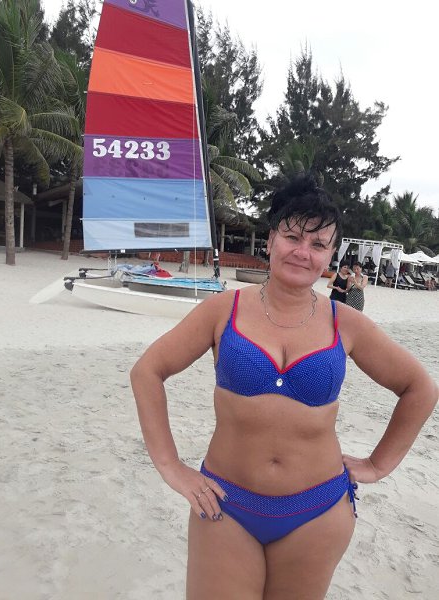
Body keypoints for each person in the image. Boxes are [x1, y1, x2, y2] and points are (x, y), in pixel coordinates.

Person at [130, 175, 437, 600]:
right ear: (271, 239)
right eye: (292, 237)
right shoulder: (223, 310)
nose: (302, 252)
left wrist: (377, 464)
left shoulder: (345, 323)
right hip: (226, 504)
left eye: (318, 244)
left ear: (331, 254)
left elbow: (419, 388)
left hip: (317, 512)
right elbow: (147, 371)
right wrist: (170, 466)